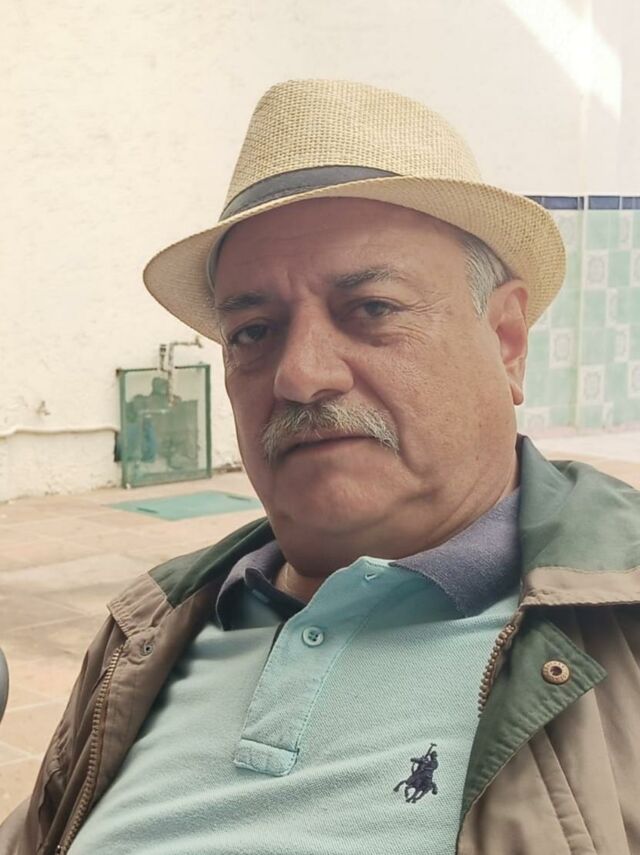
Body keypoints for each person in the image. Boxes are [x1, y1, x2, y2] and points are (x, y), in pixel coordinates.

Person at [2, 79, 639, 855]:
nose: (300, 375)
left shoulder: (620, 620)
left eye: (371, 309)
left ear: (506, 341)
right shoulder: (149, 629)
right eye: (253, 330)